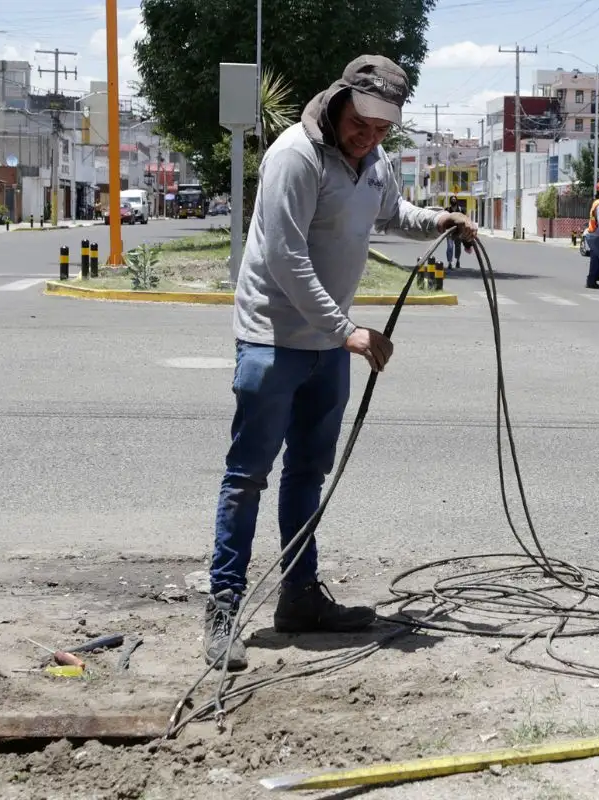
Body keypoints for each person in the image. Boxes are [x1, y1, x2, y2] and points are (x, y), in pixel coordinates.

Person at [204, 55, 478, 671]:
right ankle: (223, 606)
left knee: (308, 473)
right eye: (362, 124)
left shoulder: (373, 161)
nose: (369, 137)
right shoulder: (294, 156)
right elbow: (284, 257)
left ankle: (299, 598)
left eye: (383, 130)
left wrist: (439, 219)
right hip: (273, 339)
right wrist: (346, 329)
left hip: (330, 348)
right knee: (248, 476)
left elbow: (389, 213)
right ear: (340, 102)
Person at [445, 196, 465, 269]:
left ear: (456, 200)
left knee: (458, 247)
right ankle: (449, 262)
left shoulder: (461, 209)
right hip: (449, 232)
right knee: (450, 247)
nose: (453, 200)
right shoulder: (447, 210)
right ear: (450, 201)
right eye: (452, 199)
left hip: (458, 232)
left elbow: (464, 220)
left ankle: (458, 261)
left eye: (454, 199)